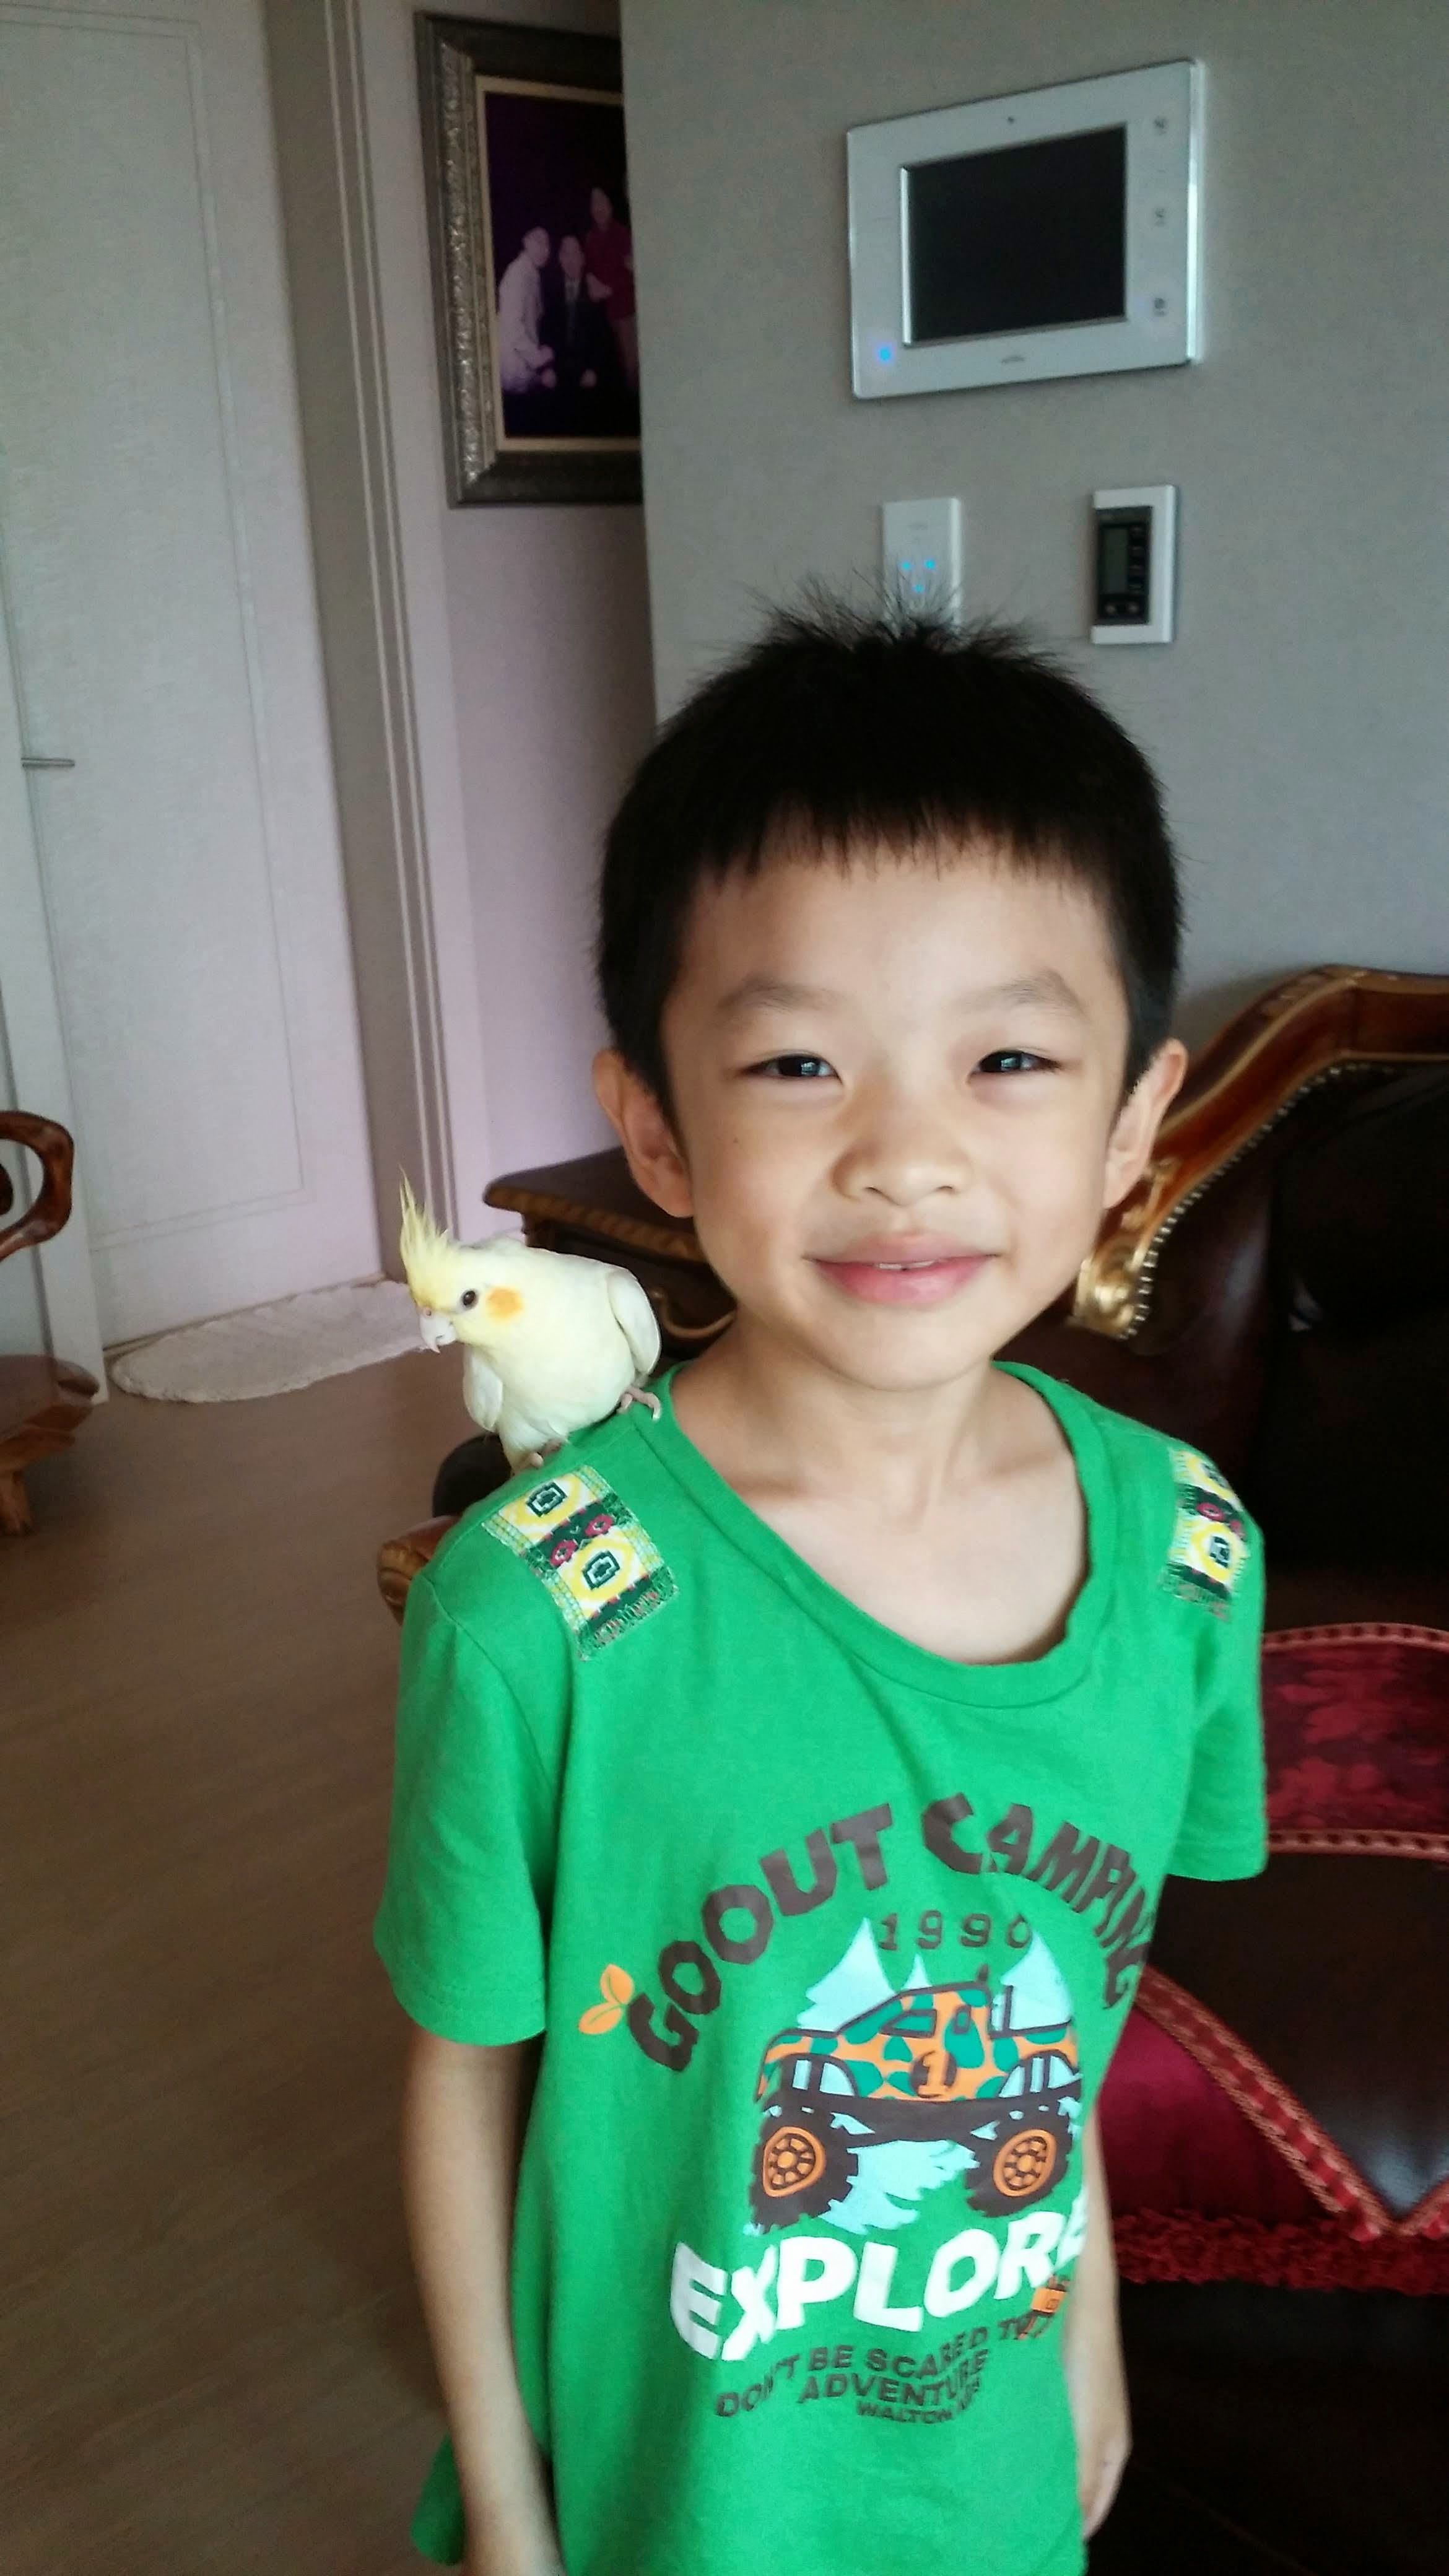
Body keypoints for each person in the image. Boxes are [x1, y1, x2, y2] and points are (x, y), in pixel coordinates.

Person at [376, 601, 1268, 2576]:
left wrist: (1087, 2327)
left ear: (1133, 1123)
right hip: (660, 2505)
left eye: (1008, 1057)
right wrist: (509, 2507)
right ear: (656, 1127)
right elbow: (462, 2078)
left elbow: (1060, 2009)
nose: (904, 1156)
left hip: (995, 2481)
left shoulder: (1191, 1556)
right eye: (797, 1062)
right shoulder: (533, 1617)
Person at [543, 233, 615, 402]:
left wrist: (594, 370)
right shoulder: (551, 292)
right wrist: (547, 368)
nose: (570, 260)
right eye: (565, 254)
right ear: (560, 259)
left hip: (588, 373)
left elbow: (603, 337)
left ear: (582, 259)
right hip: (558, 373)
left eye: (574, 254)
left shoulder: (594, 291)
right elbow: (546, 333)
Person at [583, 183, 637, 391]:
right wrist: (590, 279)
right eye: (594, 203)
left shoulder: (624, 234)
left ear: (611, 206)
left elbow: (633, 275)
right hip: (603, 317)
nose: (598, 208)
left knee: (632, 371)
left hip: (626, 314)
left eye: (602, 202)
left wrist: (609, 289)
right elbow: (587, 267)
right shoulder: (590, 239)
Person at [496, 225, 555, 396]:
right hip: (514, 372)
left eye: (547, 244)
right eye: (538, 241)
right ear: (526, 241)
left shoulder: (532, 274)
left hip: (525, 370)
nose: (543, 249)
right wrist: (540, 363)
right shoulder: (517, 275)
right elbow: (513, 328)